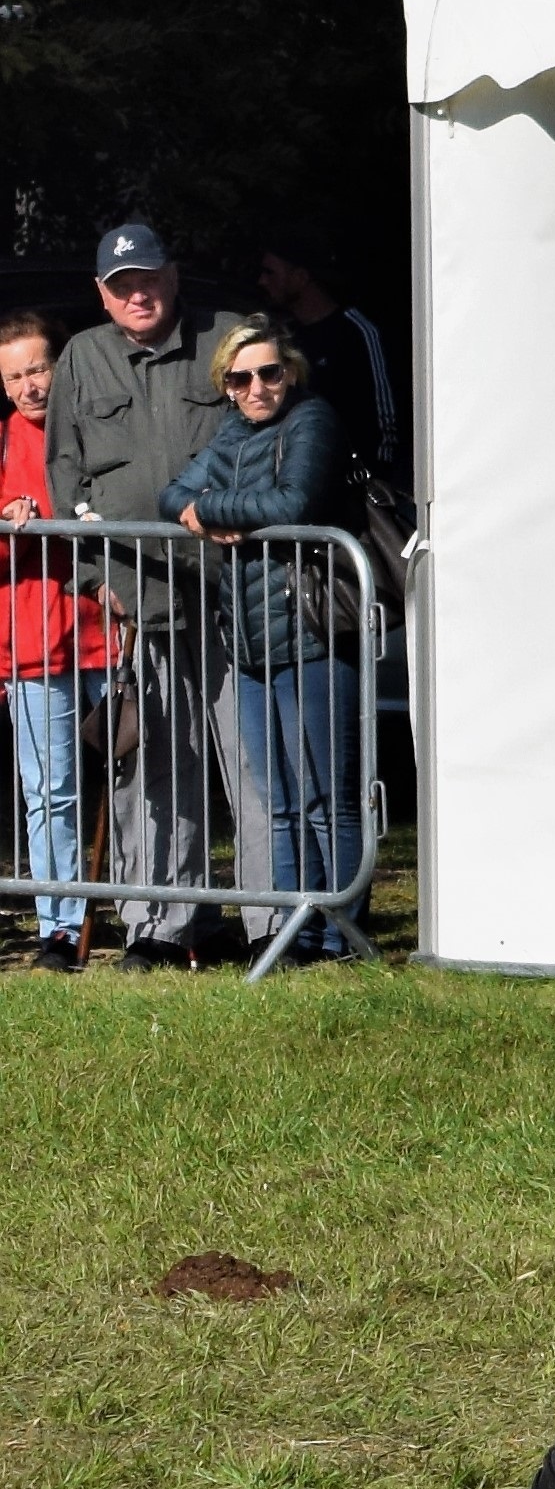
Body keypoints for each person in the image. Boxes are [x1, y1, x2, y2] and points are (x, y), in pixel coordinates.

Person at [44, 221, 246, 966]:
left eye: (150, 277)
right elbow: (66, 480)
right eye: (122, 284)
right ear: (102, 293)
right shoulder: (82, 359)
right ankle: (157, 927)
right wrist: (98, 580)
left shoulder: (227, 338)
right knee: (150, 770)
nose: (139, 293)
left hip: (233, 597)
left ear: (174, 276)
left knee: (247, 765)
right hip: (137, 601)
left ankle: (265, 928)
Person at [161, 318, 360, 965]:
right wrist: (206, 507)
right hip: (246, 641)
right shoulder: (232, 433)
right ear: (225, 385)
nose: (257, 388)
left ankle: (340, 935)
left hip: (311, 629)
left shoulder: (312, 420)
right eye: (240, 378)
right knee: (279, 803)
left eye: (270, 373)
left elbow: (294, 501)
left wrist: (214, 509)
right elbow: (173, 495)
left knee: (328, 795)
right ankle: (295, 936)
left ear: (290, 372)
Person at [2, 307, 119, 967]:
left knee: (139, 782)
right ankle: (59, 926)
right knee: (51, 793)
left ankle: (153, 914)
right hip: (33, 648)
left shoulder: (94, 430)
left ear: (61, 364)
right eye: (15, 377)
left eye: (39, 368)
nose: (30, 387)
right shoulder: (1, 444)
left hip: (109, 635)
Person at [255, 228, 405, 481]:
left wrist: (374, 479)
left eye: (271, 272)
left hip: (355, 490)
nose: (262, 281)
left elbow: (387, 422)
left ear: (301, 276)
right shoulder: (285, 338)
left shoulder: (357, 332)